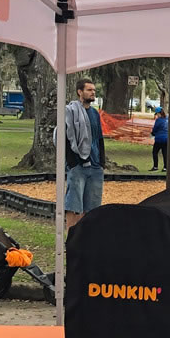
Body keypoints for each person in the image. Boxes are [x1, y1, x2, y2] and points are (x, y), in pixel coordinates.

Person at [63, 78, 103, 231]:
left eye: (94, 90)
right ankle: (72, 237)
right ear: (80, 92)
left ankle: (86, 238)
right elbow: (65, 137)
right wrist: (73, 162)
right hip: (78, 165)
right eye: (89, 90)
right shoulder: (70, 112)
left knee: (92, 207)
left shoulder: (95, 113)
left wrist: (101, 162)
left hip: (95, 165)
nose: (93, 93)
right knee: (74, 205)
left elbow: (99, 138)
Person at [150, 107, 168, 171]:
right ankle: (165, 167)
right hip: (166, 138)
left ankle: (155, 167)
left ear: (158, 113)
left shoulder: (159, 120)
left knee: (155, 152)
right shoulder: (167, 119)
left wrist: (152, 133)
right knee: (165, 153)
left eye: (156, 114)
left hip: (159, 139)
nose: (156, 115)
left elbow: (155, 128)